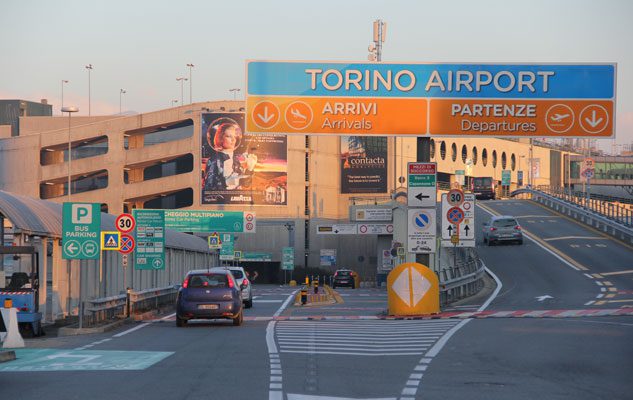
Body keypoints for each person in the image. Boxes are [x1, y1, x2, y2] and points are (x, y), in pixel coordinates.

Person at [203, 118, 257, 191]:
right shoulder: (214, 160)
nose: (233, 140)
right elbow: (209, 187)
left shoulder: (235, 160)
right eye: (229, 136)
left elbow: (245, 184)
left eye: (234, 136)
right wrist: (226, 182)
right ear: (220, 138)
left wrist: (250, 169)